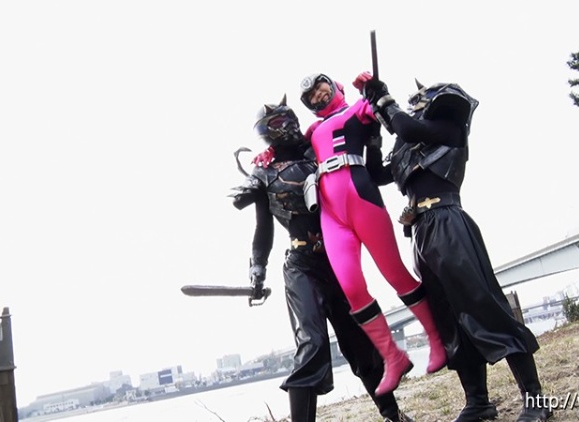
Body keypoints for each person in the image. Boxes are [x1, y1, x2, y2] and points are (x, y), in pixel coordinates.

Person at [355, 72, 554, 422]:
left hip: (449, 222)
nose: (416, 106)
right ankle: (478, 401)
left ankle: (536, 400)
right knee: (449, 319)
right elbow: (376, 174)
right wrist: (371, 128)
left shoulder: (449, 129)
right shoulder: (408, 145)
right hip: (420, 232)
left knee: (485, 308)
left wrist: (383, 99)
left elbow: (407, 127)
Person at [255, 73, 446, 397]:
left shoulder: (358, 109)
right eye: (311, 96)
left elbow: (390, 118)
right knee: (352, 288)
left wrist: (376, 92)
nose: (318, 95)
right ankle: (393, 357)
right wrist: (268, 155)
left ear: (335, 86)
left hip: (362, 197)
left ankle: (437, 340)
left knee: (396, 274)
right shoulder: (311, 132)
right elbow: (287, 152)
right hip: (331, 213)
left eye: (321, 88)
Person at [230, 95, 414, 422]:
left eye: (290, 118)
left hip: (335, 260)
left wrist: (372, 134)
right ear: (266, 131)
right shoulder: (264, 174)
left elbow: (354, 169)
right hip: (300, 266)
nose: (288, 126)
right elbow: (263, 229)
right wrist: (257, 271)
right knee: (311, 344)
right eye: (278, 122)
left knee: (360, 341)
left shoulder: (319, 153)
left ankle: (393, 415)